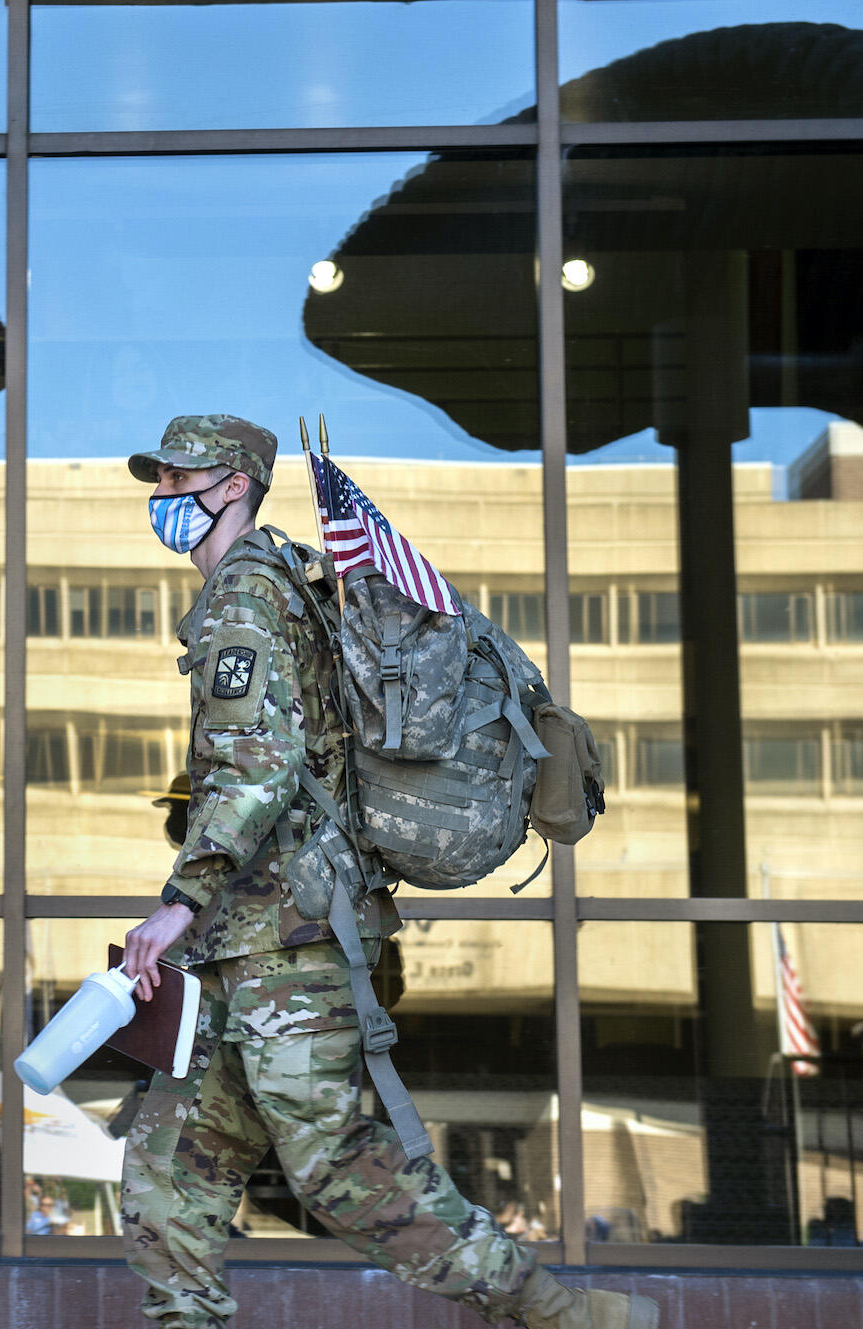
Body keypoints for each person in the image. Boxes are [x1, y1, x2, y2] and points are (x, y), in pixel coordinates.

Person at [116, 415, 658, 1329]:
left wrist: (179, 903)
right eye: (158, 478)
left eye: (181, 478)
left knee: (338, 1165)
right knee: (166, 1175)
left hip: (289, 937)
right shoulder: (272, 588)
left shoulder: (247, 594)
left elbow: (257, 764)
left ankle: (558, 1312)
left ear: (234, 486)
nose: (162, 494)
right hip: (245, 945)